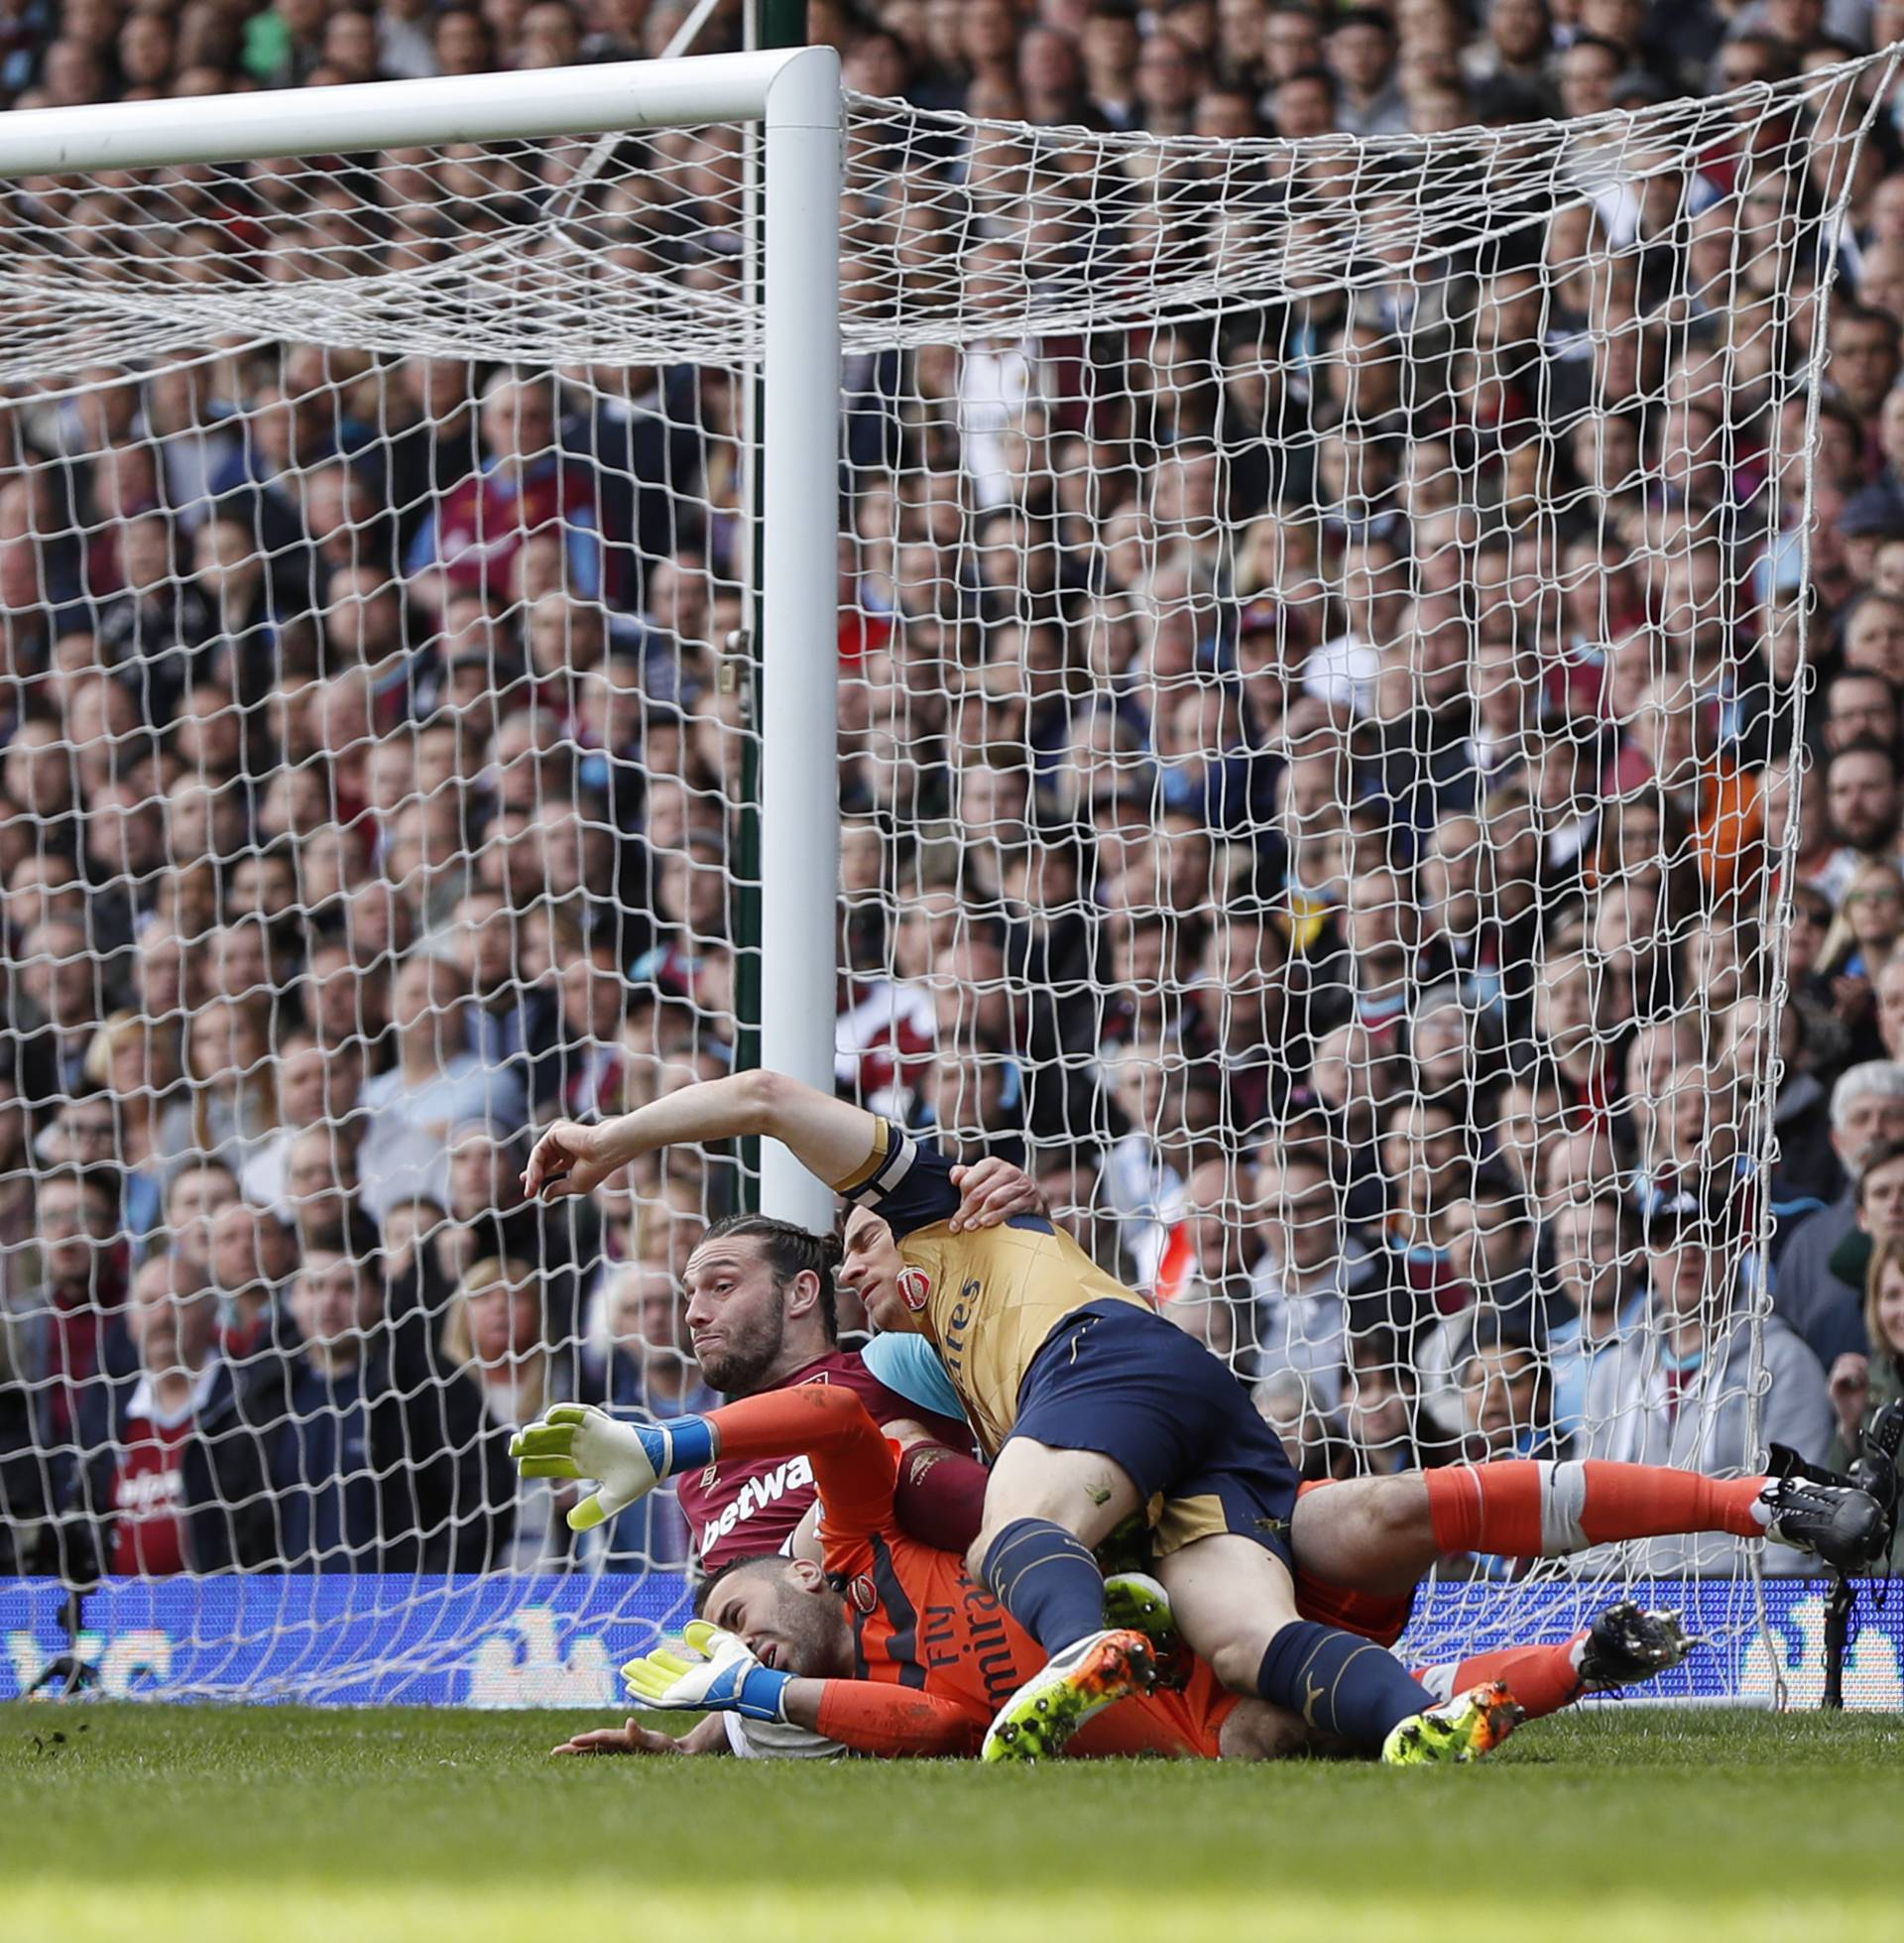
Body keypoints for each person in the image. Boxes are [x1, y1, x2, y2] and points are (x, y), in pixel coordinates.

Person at [523, 1072, 1877, 1764]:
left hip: (1107, 1381)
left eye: (867, 1244)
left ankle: (1087, 1645)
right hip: (1167, 1469)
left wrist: (614, 1146)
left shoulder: (937, 1219)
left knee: (1016, 1528)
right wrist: (716, 1718)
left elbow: (829, 1397)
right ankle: (1737, 1523)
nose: (875, 1271)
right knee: (1295, 1611)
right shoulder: (924, 1368)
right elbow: (905, 1696)